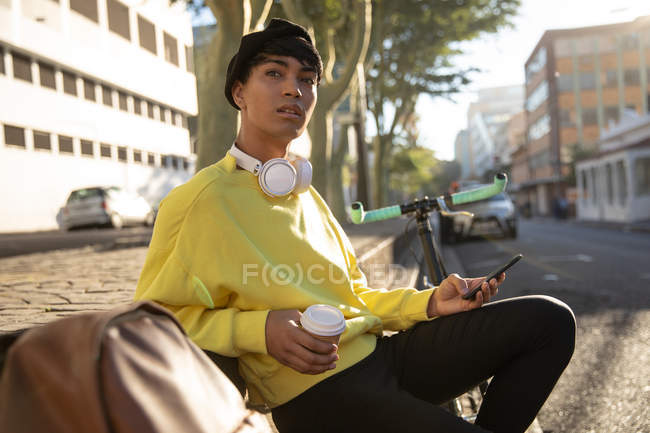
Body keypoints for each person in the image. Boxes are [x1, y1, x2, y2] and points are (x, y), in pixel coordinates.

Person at [134, 18, 575, 433]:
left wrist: (430, 304)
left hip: (382, 356)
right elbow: (154, 326)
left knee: (550, 321)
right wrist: (259, 331)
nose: (294, 90)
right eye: (274, 74)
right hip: (319, 394)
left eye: (306, 80)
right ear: (239, 92)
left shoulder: (307, 195)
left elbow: (356, 297)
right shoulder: (197, 202)